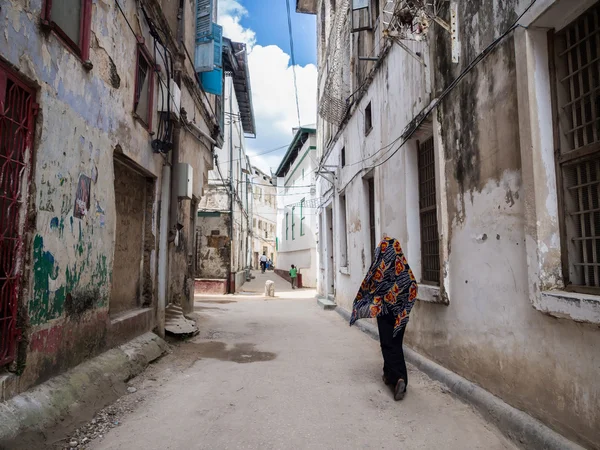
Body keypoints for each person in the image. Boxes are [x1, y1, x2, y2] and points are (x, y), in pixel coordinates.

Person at [349, 236, 418, 401]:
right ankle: (388, 375)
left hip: (385, 312)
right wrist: (404, 306)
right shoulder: (404, 270)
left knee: (387, 345)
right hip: (401, 314)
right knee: (396, 344)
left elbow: (369, 286)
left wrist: (364, 304)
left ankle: (398, 379)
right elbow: (413, 286)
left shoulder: (380, 270)